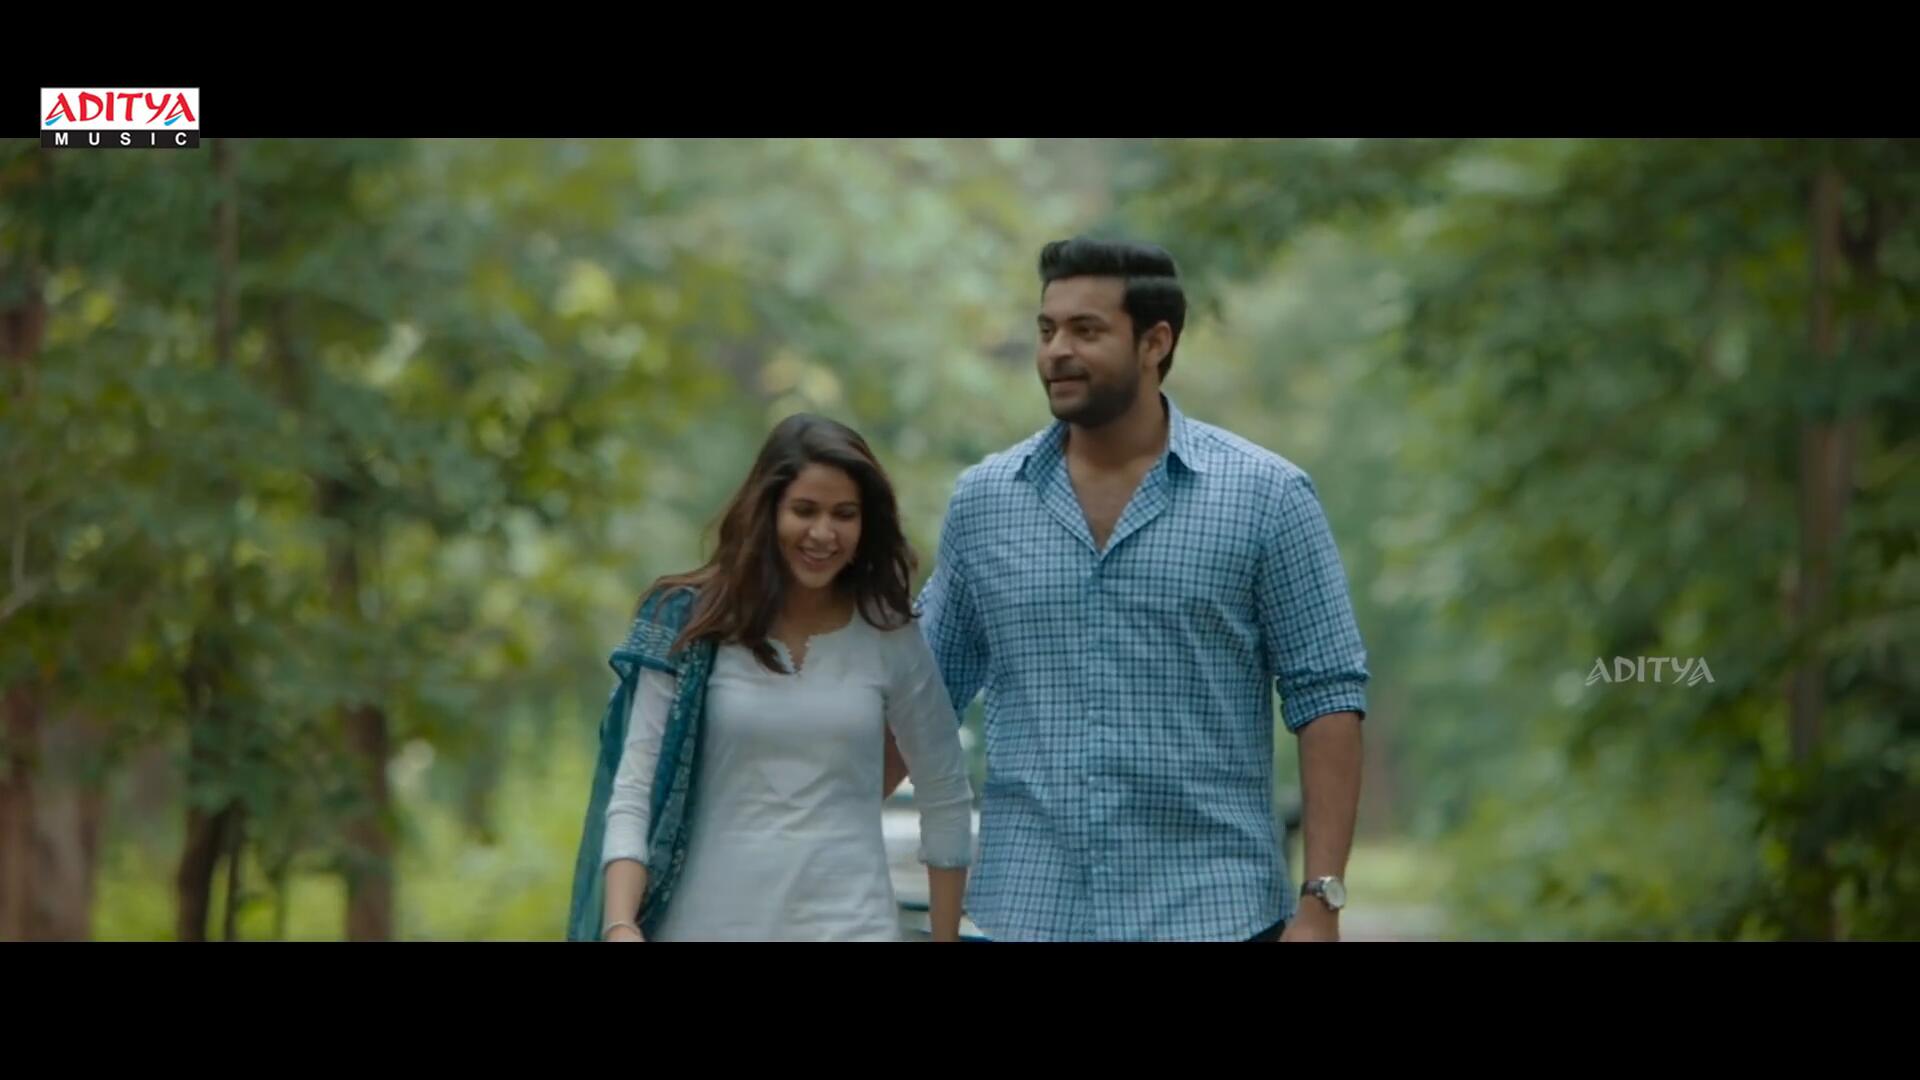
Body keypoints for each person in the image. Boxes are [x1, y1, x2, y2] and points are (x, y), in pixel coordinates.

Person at [891, 236, 1369, 942]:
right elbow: (922, 696)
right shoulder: (986, 501)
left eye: (1086, 331)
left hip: (1211, 912)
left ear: (1155, 342)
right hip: (1028, 911)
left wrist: (1321, 902)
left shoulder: (1267, 497)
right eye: (1047, 330)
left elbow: (1328, 696)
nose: (1057, 351)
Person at [568, 414, 975, 941]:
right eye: (804, 510)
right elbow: (635, 790)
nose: (823, 533)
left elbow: (945, 791)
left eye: (844, 514)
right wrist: (620, 924)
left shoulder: (888, 633)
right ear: (767, 511)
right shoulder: (690, 624)